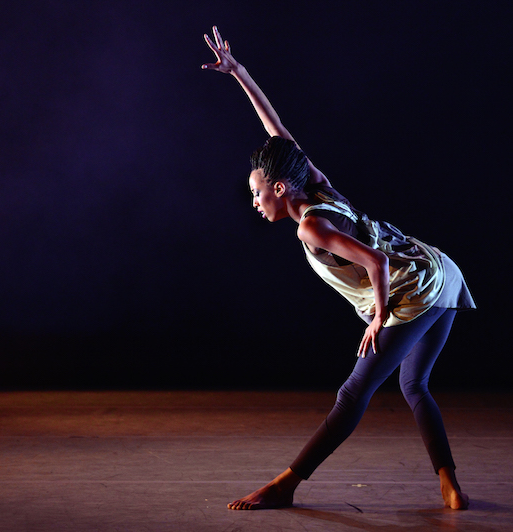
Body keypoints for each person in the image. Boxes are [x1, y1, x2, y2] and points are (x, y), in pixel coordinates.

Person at [202, 26, 475, 511]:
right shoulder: (317, 182)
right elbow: (277, 131)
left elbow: (377, 260)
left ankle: (285, 485)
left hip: (412, 288)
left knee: (354, 392)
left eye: (256, 192)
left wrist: (378, 318)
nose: (254, 201)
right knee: (414, 384)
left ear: (281, 189)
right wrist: (239, 72)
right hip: (441, 269)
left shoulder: (309, 227)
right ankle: (449, 485)